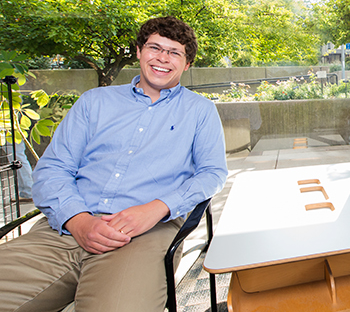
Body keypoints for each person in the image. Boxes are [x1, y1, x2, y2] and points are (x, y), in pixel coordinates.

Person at [0, 16, 228, 312]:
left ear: (186, 64)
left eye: (174, 52)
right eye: (155, 48)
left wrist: (155, 208)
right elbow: (53, 169)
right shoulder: (94, 102)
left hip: (144, 233)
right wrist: (78, 220)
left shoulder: (200, 111)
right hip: (63, 228)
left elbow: (212, 173)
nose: (162, 58)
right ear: (138, 51)